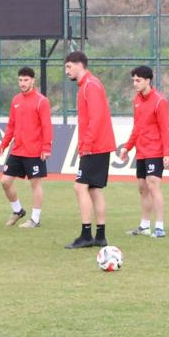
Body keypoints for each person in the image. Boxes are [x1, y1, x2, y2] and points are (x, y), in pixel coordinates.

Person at [62, 51, 114, 249]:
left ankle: (86, 235)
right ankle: (100, 236)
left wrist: (87, 144)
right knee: (93, 189)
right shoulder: (88, 85)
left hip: (95, 146)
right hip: (98, 144)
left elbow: (96, 117)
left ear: (80, 65)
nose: (67, 71)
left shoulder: (90, 85)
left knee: (80, 187)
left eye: (69, 66)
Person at [118, 65, 169, 238]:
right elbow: (137, 127)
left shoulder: (160, 101)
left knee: (153, 185)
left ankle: (160, 227)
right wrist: (127, 147)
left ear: (148, 81)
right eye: (133, 80)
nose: (135, 83)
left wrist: (167, 153)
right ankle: (144, 226)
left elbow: (164, 129)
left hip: (155, 151)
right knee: (142, 188)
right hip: (141, 151)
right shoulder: (136, 100)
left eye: (138, 80)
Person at [0, 67, 52, 228]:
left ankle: (35, 220)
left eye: (26, 80)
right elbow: (11, 125)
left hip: (34, 151)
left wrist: (46, 147)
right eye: (20, 80)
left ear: (33, 81)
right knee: (5, 182)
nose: (22, 83)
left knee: (35, 185)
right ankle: (18, 210)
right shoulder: (16, 100)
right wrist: (4, 144)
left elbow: (47, 126)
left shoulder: (42, 101)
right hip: (17, 150)